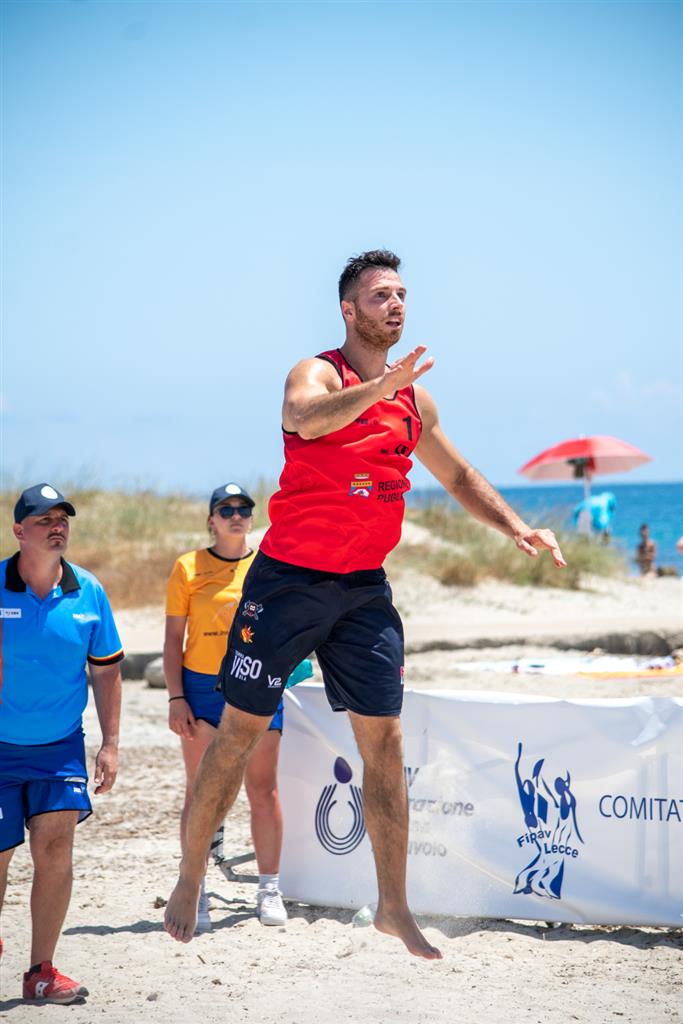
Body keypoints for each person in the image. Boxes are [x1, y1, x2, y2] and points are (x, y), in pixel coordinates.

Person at [164, 249, 566, 959]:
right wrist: (380, 387)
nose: (396, 304)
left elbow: (458, 475)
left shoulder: (414, 400)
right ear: (348, 309)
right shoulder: (317, 374)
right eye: (381, 295)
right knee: (238, 733)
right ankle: (192, 872)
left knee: (384, 741)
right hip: (287, 582)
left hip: (363, 589)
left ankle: (393, 906)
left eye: (402, 293)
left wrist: (514, 525)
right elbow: (304, 419)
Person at [164, 483, 310, 931]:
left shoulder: (268, 564)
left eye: (243, 508)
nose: (235, 515)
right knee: (200, 792)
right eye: (225, 509)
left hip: (257, 681)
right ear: (211, 520)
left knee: (262, 790)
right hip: (201, 687)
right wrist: (176, 697)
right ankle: (196, 888)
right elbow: (172, 641)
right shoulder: (188, 567)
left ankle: (269, 889)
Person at [0, 483, 123, 1004]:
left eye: (63, 519)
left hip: (60, 749)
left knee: (54, 852)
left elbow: (107, 671)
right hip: (0, 749)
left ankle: (41, 972)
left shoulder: (88, 592)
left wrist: (110, 743)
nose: (57, 527)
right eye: (44, 519)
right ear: (19, 530)